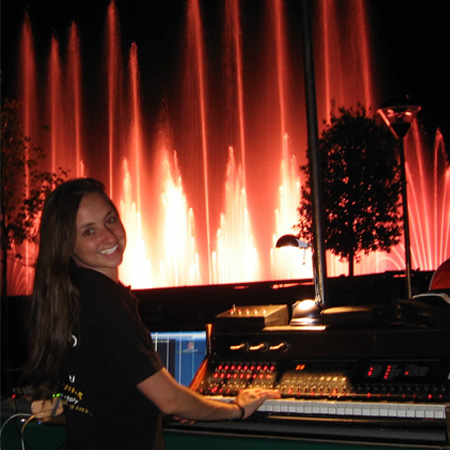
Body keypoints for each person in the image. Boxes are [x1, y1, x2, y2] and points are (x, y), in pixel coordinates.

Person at [27, 178, 280, 450]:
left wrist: (179, 405)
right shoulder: (106, 304)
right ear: (67, 244)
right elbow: (169, 400)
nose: (109, 237)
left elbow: (102, 388)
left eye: (110, 220)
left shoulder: (69, 296)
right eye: (89, 232)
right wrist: (236, 409)